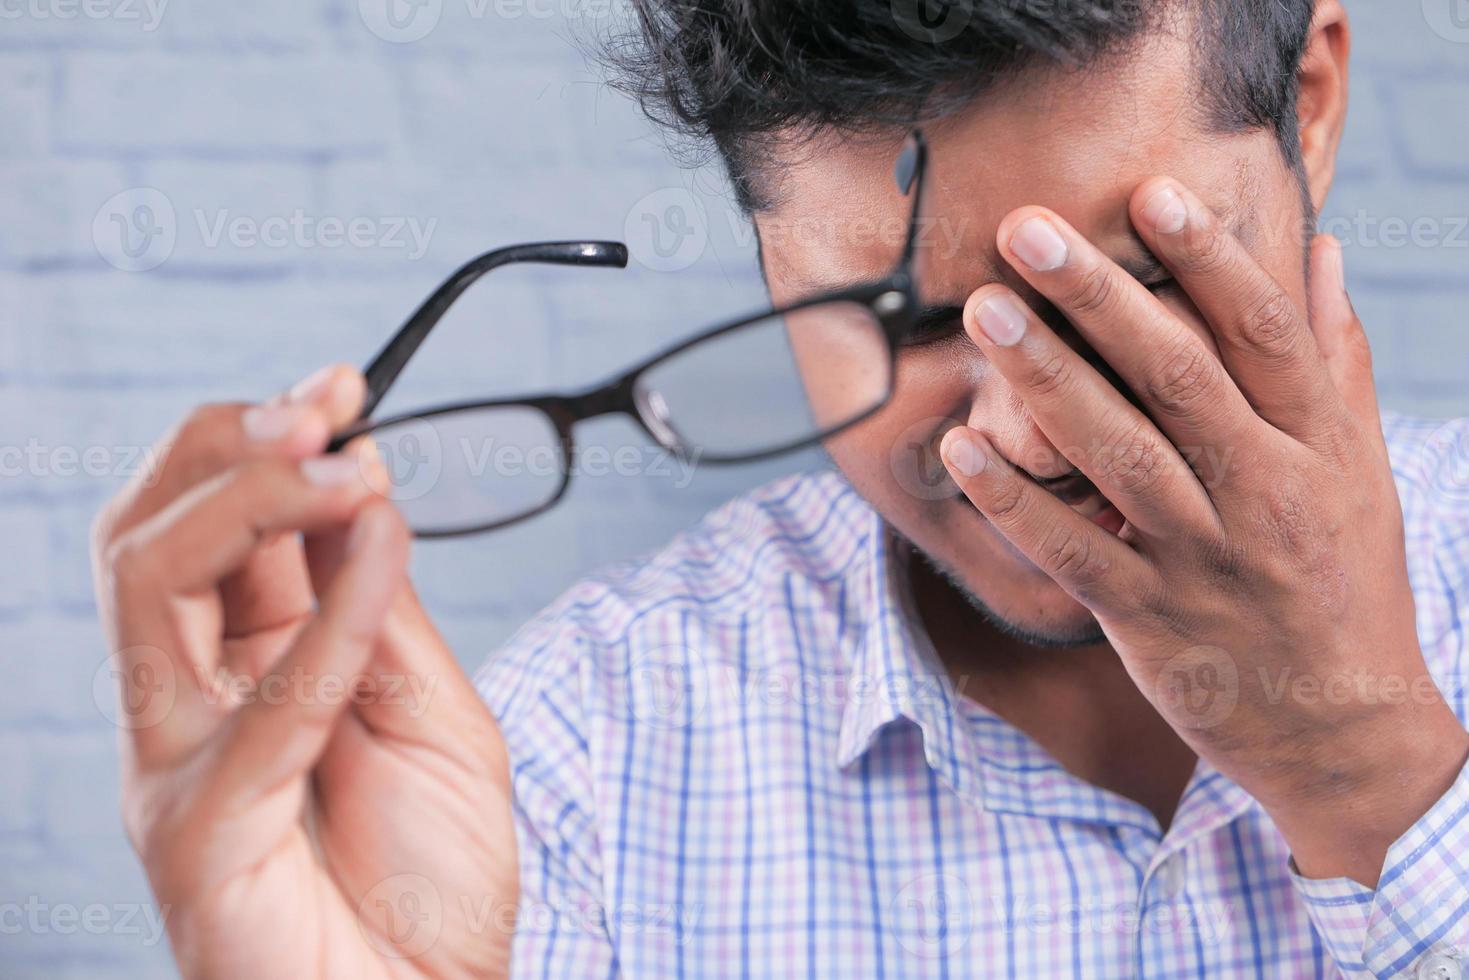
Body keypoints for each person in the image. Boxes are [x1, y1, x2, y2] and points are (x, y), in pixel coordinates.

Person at [91, 0, 1469, 976]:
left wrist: (1377, 782)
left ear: (1308, 106)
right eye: (900, 329)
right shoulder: (560, 777)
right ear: (760, 268)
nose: (1023, 438)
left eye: (1130, 287)